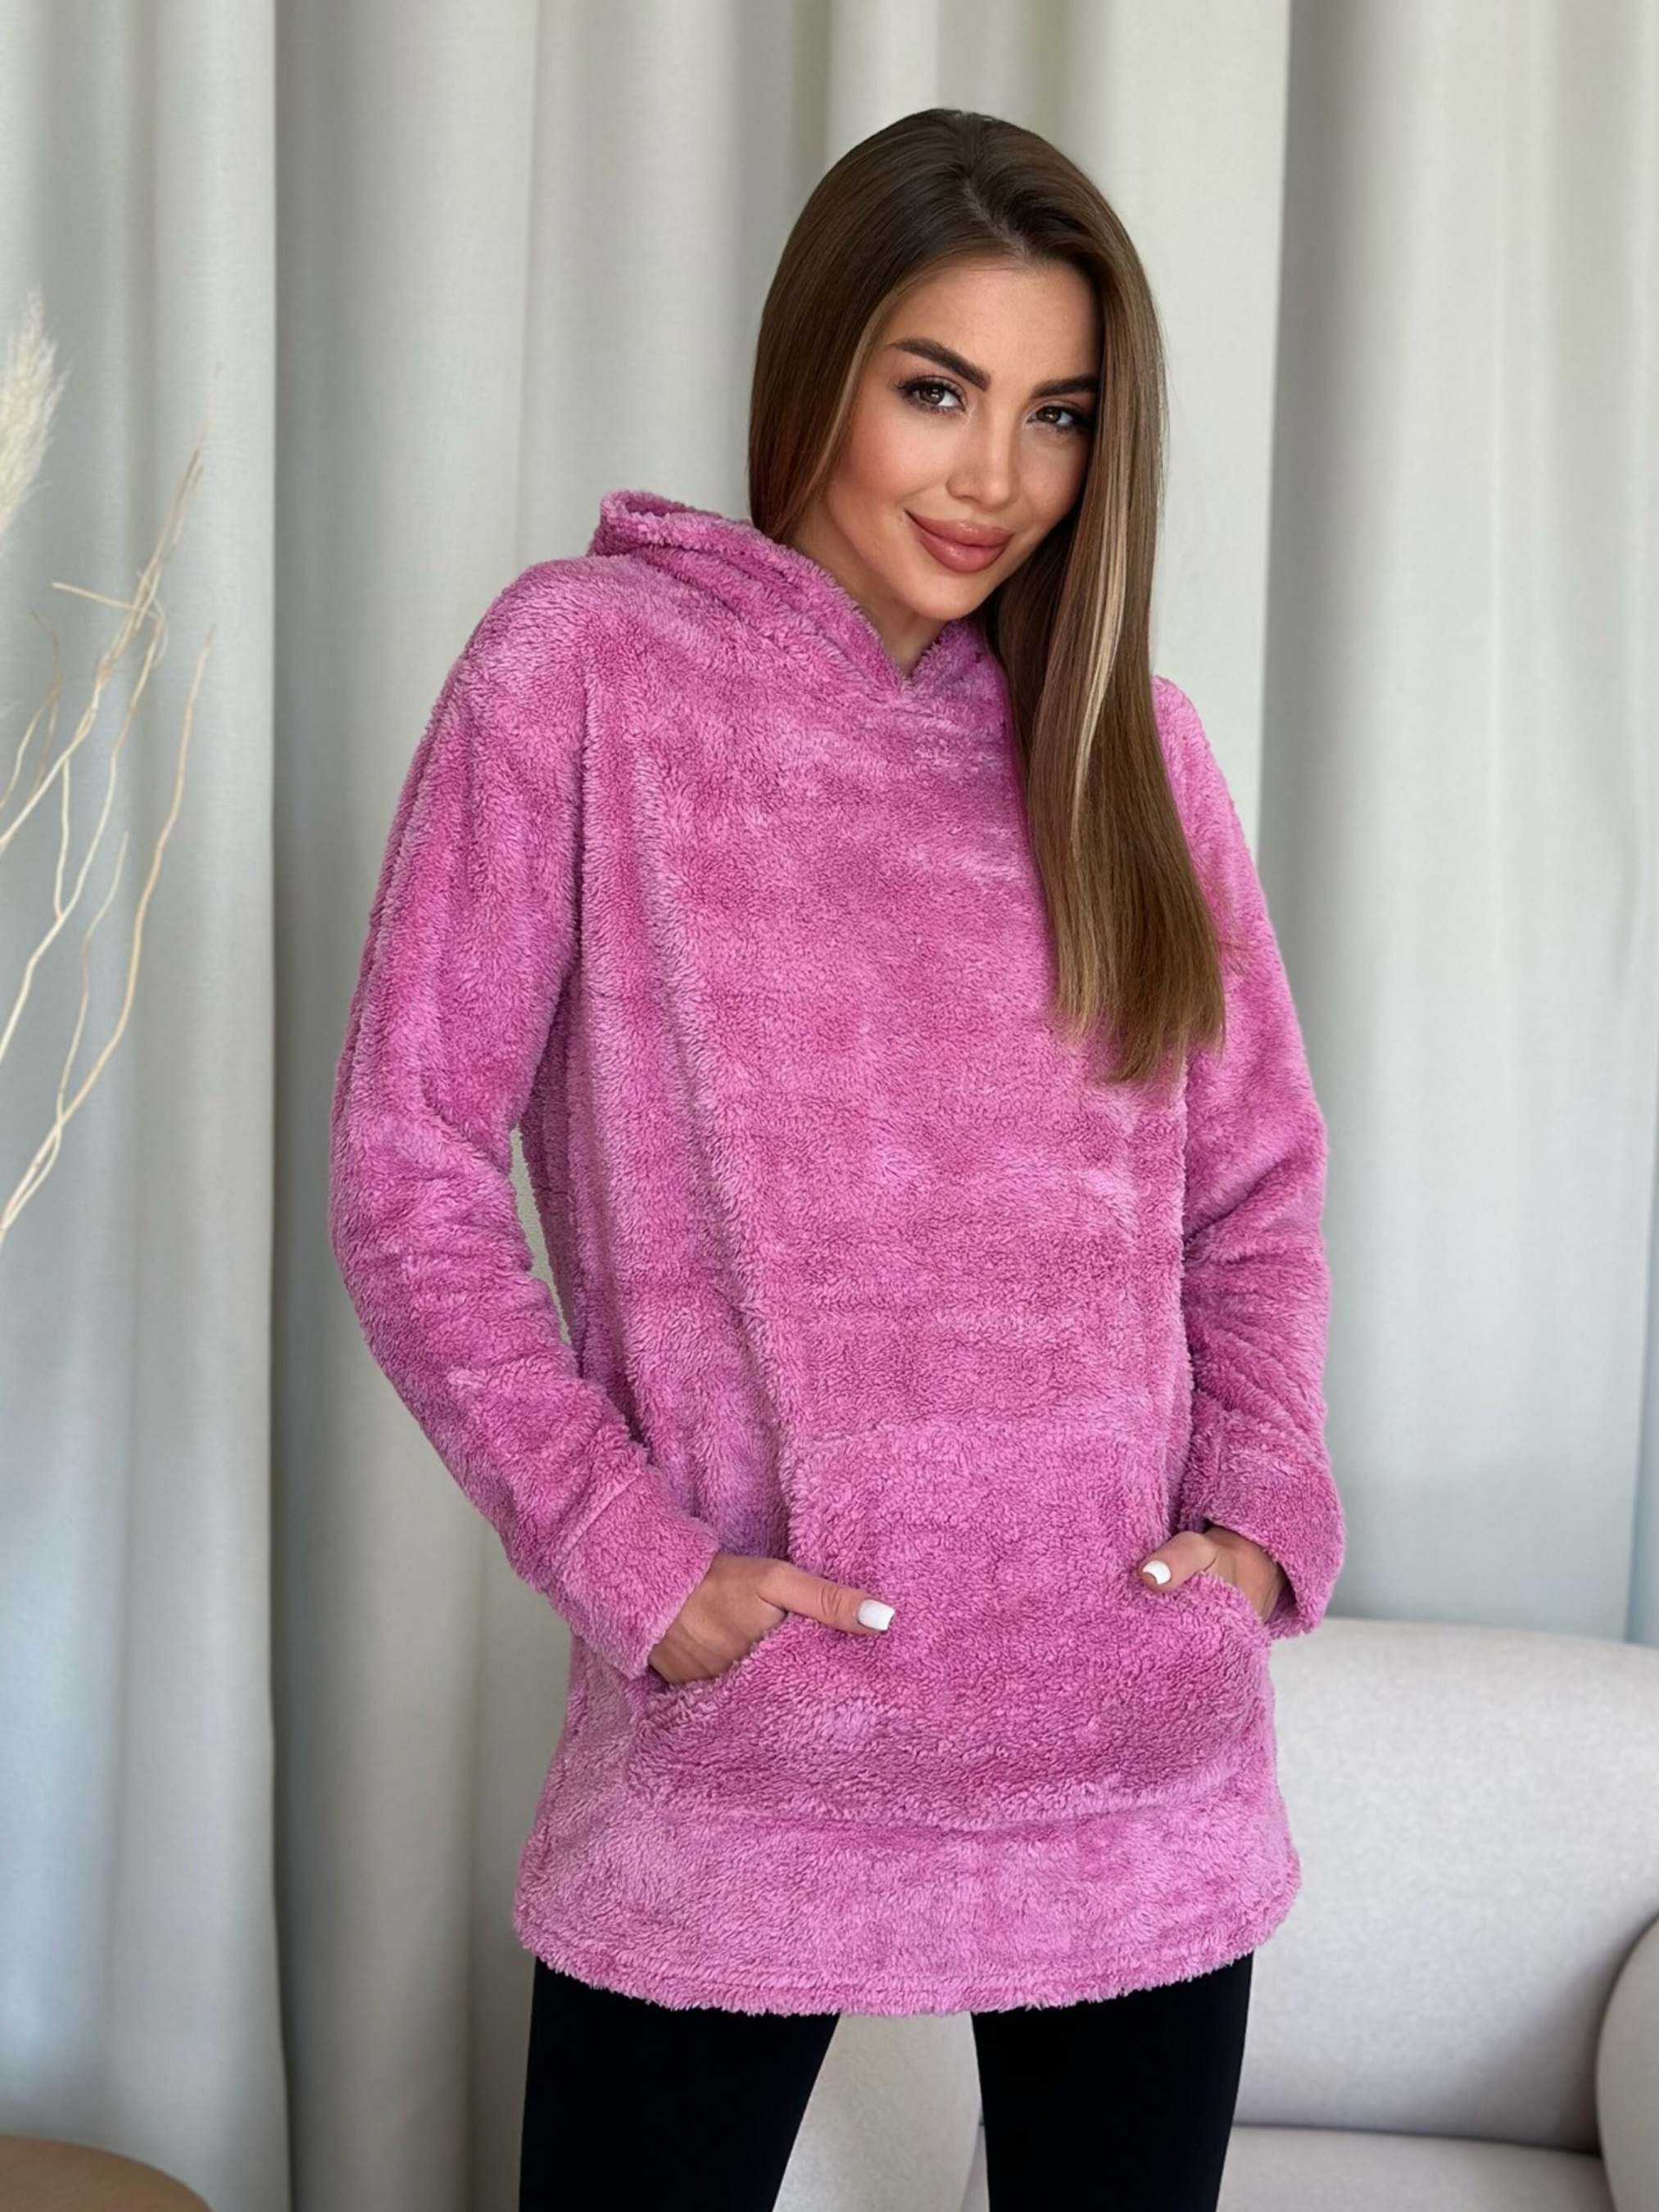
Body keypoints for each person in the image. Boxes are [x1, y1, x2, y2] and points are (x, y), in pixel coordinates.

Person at [329, 107, 1345, 2210]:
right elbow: (406, 1163)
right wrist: (630, 1560)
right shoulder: (580, 674)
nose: (995, 481)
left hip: (1125, 1753)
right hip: (749, 1749)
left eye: (1056, 415)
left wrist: (1254, 1513)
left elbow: (1249, 1189)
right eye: (935, 391)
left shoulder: (1125, 748)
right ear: (815, 368)